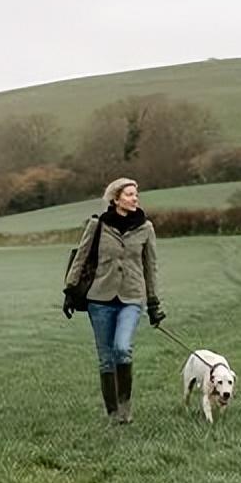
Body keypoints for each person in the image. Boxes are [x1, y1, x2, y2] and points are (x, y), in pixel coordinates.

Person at [62, 177, 164, 424]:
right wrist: (69, 291)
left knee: (122, 348)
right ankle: (112, 413)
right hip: (100, 298)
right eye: (129, 194)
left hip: (131, 297)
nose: (135, 198)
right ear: (116, 199)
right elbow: (81, 259)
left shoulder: (145, 228)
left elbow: (150, 267)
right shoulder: (97, 225)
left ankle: (125, 408)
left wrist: (153, 303)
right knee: (106, 357)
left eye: (136, 194)